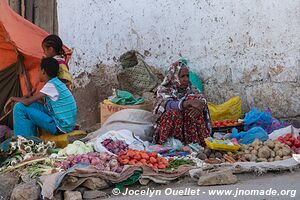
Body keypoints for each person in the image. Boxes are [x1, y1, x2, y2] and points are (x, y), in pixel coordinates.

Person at [11, 57, 77, 137]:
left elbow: (27, 102)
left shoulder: (51, 85)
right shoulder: (56, 82)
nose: (38, 73)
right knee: (21, 106)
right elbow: (41, 103)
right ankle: (27, 138)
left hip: (60, 127)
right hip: (65, 123)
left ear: (43, 72)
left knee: (20, 108)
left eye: (39, 70)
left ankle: (24, 140)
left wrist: (13, 98)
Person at [153, 60, 211, 146]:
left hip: (187, 128)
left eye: (187, 76)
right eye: (182, 76)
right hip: (171, 125)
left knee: (194, 109)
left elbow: (202, 99)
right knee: (174, 113)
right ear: (174, 76)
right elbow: (168, 104)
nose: (186, 79)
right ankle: (168, 144)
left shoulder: (191, 88)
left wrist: (200, 104)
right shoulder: (164, 89)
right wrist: (187, 103)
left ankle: (194, 143)